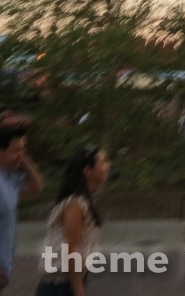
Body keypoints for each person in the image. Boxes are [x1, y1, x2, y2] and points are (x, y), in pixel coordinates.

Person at [36, 147, 111, 296]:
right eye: (103, 163)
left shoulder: (83, 201)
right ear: (88, 172)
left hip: (66, 283)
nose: (108, 166)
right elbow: (72, 249)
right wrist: (78, 290)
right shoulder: (75, 204)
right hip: (60, 286)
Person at [0, 125, 44, 291]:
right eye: (16, 150)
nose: (21, 155)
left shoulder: (10, 177)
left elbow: (37, 186)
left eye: (23, 150)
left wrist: (24, 159)